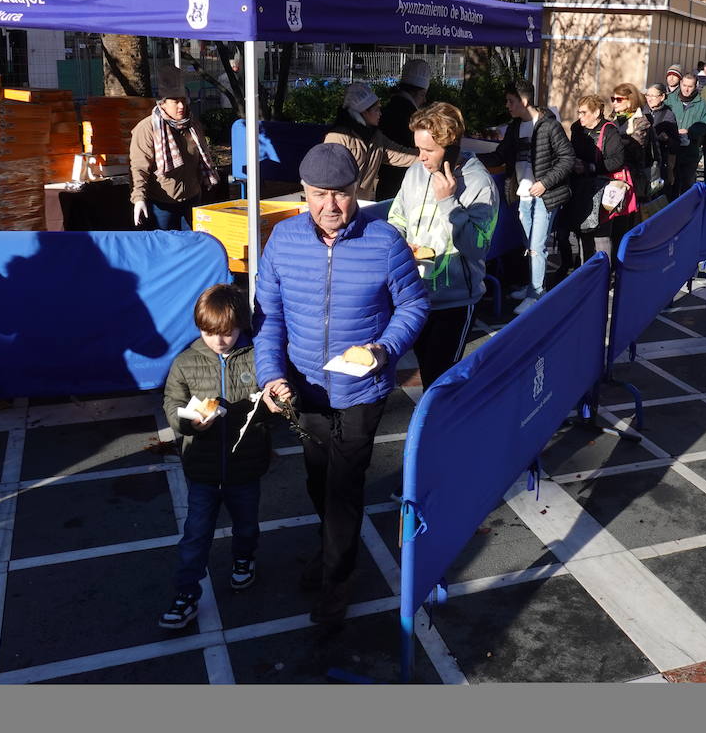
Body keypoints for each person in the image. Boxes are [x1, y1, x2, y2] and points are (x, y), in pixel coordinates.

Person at [253, 142, 430, 626]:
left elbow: (413, 306)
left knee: (344, 487)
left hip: (363, 390)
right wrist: (271, 376)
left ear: (359, 191)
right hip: (304, 388)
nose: (331, 207)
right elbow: (267, 320)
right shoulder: (282, 241)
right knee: (316, 478)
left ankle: (337, 580)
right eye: (318, 195)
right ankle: (331, 549)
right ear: (303, 194)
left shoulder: (386, 241)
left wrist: (384, 350)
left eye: (342, 194)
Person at [158, 284, 270, 630]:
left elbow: (279, 401)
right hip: (202, 470)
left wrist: (281, 401)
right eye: (210, 333)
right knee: (196, 534)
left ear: (241, 326)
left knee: (247, 523)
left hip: (246, 464)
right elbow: (172, 407)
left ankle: (243, 560)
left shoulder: (257, 356)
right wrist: (189, 423)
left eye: (228, 332)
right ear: (199, 327)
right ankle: (186, 593)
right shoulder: (185, 363)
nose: (219, 341)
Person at [388, 102, 498, 382]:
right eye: (419, 149)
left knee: (441, 382)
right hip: (414, 295)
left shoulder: (479, 184)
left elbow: (477, 248)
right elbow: (398, 217)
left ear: (450, 148)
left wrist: (449, 202)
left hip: (455, 302)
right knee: (426, 373)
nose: (421, 158)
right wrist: (400, 245)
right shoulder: (415, 172)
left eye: (428, 151)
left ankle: (448, 426)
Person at [490, 81, 576, 306]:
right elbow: (500, 155)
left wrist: (545, 183)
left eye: (511, 101)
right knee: (530, 245)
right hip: (524, 197)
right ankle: (533, 286)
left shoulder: (549, 126)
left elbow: (568, 158)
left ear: (524, 101)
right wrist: (467, 158)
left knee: (537, 247)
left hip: (545, 197)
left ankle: (536, 294)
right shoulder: (515, 127)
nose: (507, 106)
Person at [130, 83, 219, 230]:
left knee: (192, 246)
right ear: (162, 104)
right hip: (162, 203)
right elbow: (139, 167)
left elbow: (202, 157)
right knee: (166, 247)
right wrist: (139, 198)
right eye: (175, 101)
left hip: (192, 198)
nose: (181, 106)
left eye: (183, 100)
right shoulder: (147, 128)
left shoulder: (192, 125)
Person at [566, 94, 632, 262]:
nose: (579, 116)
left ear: (596, 113)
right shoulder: (576, 128)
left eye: (584, 112)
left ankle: (604, 273)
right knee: (583, 230)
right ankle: (586, 270)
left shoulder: (609, 130)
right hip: (581, 186)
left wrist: (592, 167)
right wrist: (575, 163)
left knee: (601, 235)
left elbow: (617, 160)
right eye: (578, 112)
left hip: (602, 187)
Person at [375, 59, 432, 199]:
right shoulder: (412, 116)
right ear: (419, 93)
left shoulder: (388, 109)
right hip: (401, 185)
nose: (424, 101)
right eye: (424, 95)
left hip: (384, 182)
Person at [665, 72, 706, 198]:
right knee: (671, 183)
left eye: (690, 86)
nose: (686, 89)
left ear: (695, 86)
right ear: (680, 84)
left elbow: (705, 125)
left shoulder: (702, 104)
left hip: (690, 150)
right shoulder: (670, 100)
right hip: (671, 148)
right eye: (684, 85)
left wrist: (690, 132)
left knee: (687, 183)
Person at [612, 83, 651, 200]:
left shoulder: (641, 121)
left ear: (630, 101)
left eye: (618, 99)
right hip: (615, 172)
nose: (614, 102)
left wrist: (616, 142)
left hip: (633, 176)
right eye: (613, 99)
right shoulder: (613, 118)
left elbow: (637, 148)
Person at [643, 82, 680, 195]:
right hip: (643, 159)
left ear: (662, 97)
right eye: (647, 95)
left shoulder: (668, 115)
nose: (649, 99)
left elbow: (675, 144)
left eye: (653, 96)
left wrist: (666, 139)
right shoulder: (641, 111)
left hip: (658, 162)